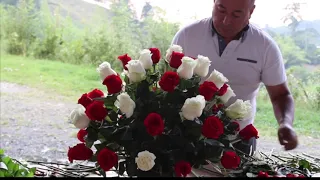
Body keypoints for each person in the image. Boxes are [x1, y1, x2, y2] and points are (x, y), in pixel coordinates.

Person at [170, 0, 298, 155]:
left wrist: (285, 123)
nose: (226, 21)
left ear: (251, 11)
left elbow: (281, 95)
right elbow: (170, 85)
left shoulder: (264, 46)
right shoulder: (187, 36)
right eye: (221, 10)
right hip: (187, 138)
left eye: (236, 14)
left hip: (238, 142)